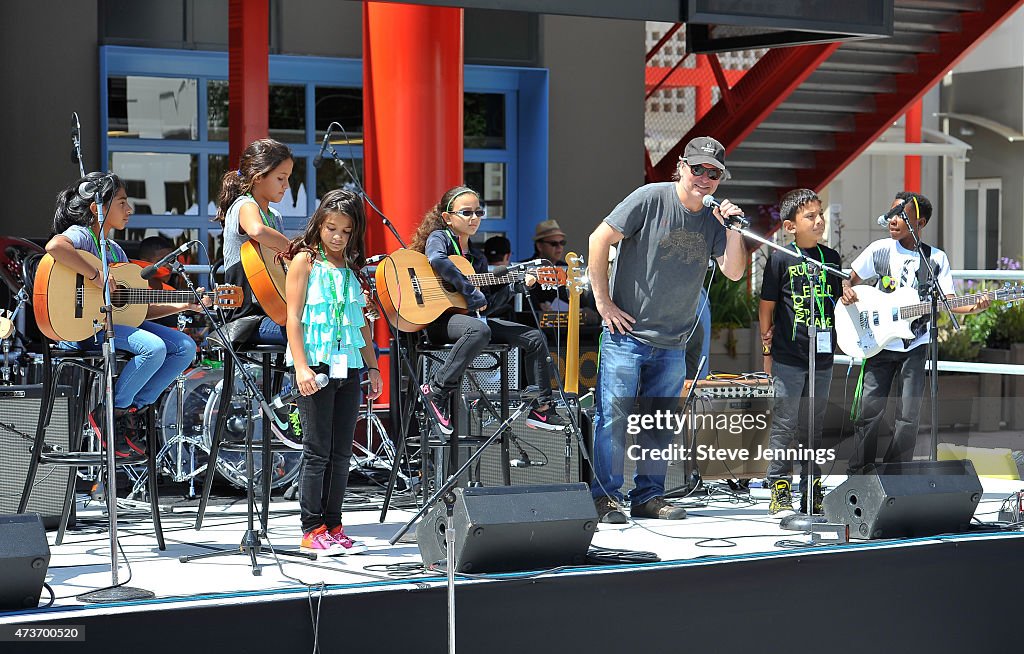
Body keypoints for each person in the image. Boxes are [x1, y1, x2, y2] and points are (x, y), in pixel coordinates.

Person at [588, 136, 747, 523]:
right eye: (698, 169)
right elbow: (599, 238)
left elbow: (734, 270)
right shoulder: (650, 198)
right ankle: (605, 496)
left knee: (658, 421)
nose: (704, 178)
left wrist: (734, 228)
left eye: (713, 173)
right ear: (681, 166)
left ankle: (648, 497)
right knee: (613, 417)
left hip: (674, 341)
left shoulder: (716, 222)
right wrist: (603, 302)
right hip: (627, 335)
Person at [46, 172, 206, 457]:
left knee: (185, 347)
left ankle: (133, 410)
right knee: (153, 348)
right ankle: (112, 410)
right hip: (85, 328)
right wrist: (95, 275)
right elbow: (55, 246)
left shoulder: (116, 251)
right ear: (97, 207)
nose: (129, 210)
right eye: (122, 203)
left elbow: (137, 307)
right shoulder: (81, 235)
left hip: (115, 327)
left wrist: (184, 304)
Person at [841, 192, 989, 473]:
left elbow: (948, 300)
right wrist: (847, 290)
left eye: (901, 216)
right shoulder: (880, 249)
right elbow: (851, 278)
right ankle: (859, 474)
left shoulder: (935, 259)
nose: (892, 221)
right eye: (891, 215)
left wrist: (976, 306)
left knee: (908, 417)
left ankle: (897, 475)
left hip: (916, 346)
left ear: (919, 222)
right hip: (880, 344)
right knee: (869, 413)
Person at [410, 185, 565, 434]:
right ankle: (436, 391)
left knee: (535, 337)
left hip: (470, 321)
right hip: (439, 321)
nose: (474, 218)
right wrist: (470, 293)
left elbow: (486, 306)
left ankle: (541, 409)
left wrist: (514, 288)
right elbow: (437, 260)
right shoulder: (439, 239)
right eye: (466, 212)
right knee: (478, 332)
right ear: (448, 218)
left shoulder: (478, 259)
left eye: (478, 212)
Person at [284, 189, 381, 555]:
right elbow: (292, 319)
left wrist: (372, 367)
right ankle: (312, 528)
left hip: (350, 367)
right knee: (317, 450)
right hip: (316, 366)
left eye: (345, 230)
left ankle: (334, 523)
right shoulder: (304, 261)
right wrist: (302, 367)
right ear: (319, 226)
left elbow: (361, 327)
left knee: (342, 452)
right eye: (331, 228)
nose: (337, 236)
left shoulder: (352, 270)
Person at [759, 189, 842, 517]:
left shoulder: (831, 259)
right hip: (788, 356)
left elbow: (838, 303)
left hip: (822, 357)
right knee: (785, 422)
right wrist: (767, 352)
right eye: (810, 216)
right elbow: (767, 307)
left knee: (815, 425)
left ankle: (812, 488)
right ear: (791, 226)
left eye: (820, 214)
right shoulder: (779, 256)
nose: (819, 220)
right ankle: (779, 488)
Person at [215, 138, 294, 345]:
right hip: (249, 319)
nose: (286, 186)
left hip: (275, 312)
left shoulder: (275, 216)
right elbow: (257, 230)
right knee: (314, 336)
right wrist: (295, 251)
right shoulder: (244, 205)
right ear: (258, 177)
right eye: (281, 178)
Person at [529, 219, 569, 311]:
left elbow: (582, 301)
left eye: (562, 243)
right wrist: (538, 306)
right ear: (539, 246)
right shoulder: (527, 268)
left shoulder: (567, 268)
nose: (559, 247)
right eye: (554, 243)